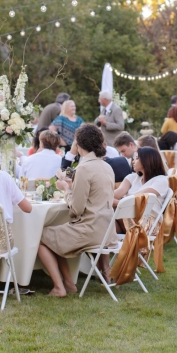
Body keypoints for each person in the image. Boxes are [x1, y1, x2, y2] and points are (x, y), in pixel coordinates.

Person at [39, 124, 118, 297]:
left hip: (89, 231)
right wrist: (72, 186)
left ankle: (59, 287)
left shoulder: (84, 168)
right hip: (106, 230)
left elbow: (76, 209)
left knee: (41, 237)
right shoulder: (107, 167)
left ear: (79, 144)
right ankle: (69, 284)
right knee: (55, 235)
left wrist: (64, 189)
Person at [113, 147, 168, 226]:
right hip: (127, 217)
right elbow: (118, 193)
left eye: (137, 158)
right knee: (103, 217)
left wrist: (117, 203)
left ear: (147, 161)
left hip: (147, 222)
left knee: (107, 212)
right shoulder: (131, 177)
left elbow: (140, 199)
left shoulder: (161, 180)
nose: (133, 161)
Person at [60, 139, 132, 183]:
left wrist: (72, 152)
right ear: (104, 145)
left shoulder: (83, 169)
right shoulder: (122, 162)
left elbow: (64, 176)